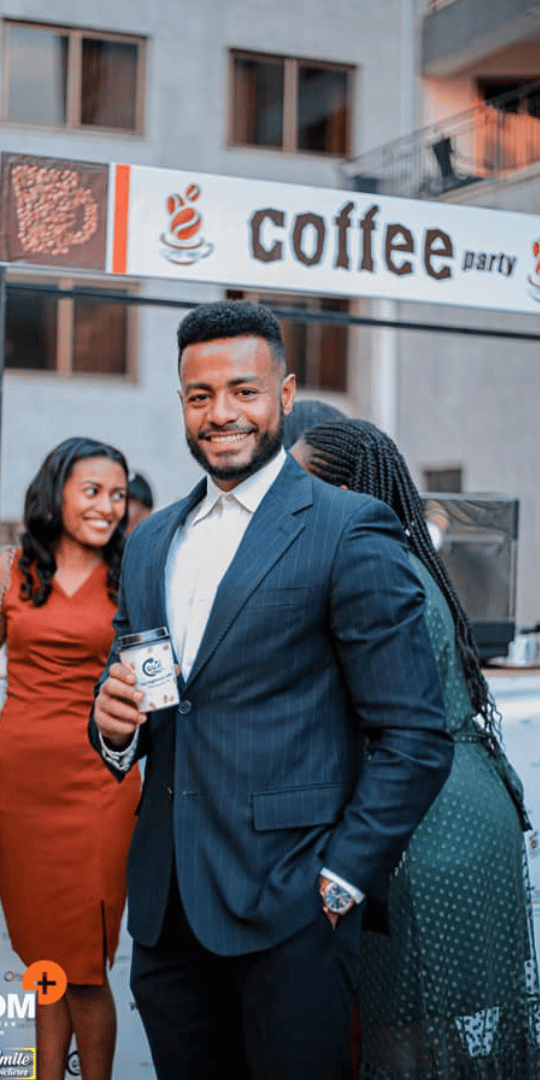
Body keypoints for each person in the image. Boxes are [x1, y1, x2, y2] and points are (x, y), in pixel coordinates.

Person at [89, 299, 452, 1080]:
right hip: (167, 914)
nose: (221, 413)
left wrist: (341, 878)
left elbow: (415, 737)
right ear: (182, 404)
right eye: (199, 395)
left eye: (243, 391)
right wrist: (113, 725)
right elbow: (143, 702)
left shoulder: (348, 527)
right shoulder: (150, 542)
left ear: (284, 395)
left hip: (293, 910)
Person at [291, 418, 540, 1080]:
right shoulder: (410, 560)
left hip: (421, 823)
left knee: (400, 1027)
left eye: (297, 481)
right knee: (448, 1031)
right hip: (470, 802)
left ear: (344, 490)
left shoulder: (372, 570)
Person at [0, 438, 141, 1080]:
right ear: (56, 492)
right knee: (43, 961)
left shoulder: (136, 574)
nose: (108, 507)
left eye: (117, 494)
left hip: (100, 784)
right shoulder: (11, 570)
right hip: (20, 784)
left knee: (85, 959)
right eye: (93, 491)